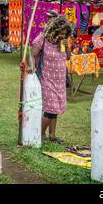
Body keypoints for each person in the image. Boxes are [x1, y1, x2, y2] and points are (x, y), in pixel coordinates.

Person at [32, 16, 72, 144]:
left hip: (60, 80)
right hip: (46, 78)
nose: (62, 36)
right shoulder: (42, 39)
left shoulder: (64, 41)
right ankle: (39, 134)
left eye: (65, 34)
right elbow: (33, 56)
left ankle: (52, 135)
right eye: (60, 33)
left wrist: (67, 46)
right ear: (53, 30)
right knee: (50, 109)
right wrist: (32, 67)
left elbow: (68, 58)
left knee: (56, 109)